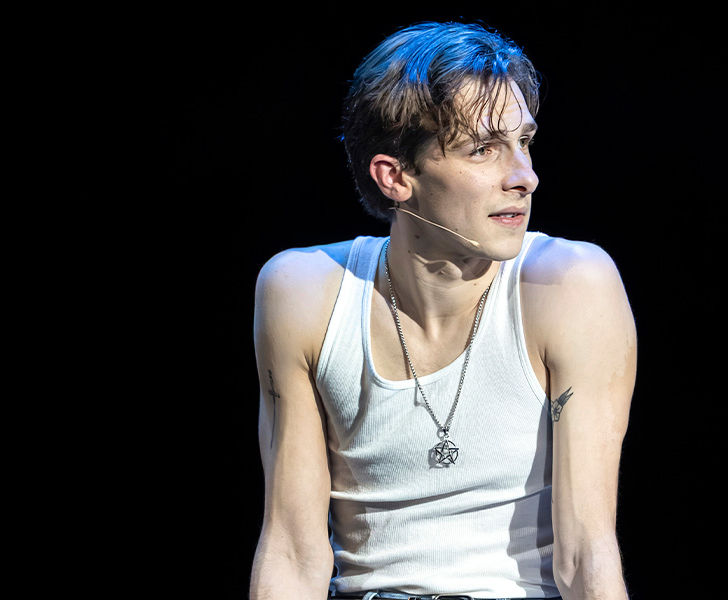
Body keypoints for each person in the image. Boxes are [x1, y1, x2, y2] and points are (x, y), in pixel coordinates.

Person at [249, 22, 636, 600]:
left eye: (524, 142)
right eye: (483, 149)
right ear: (396, 177)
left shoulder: (570, 284)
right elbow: (292, 553)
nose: (524, 176)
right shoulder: (306, 293)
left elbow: (586, 557)